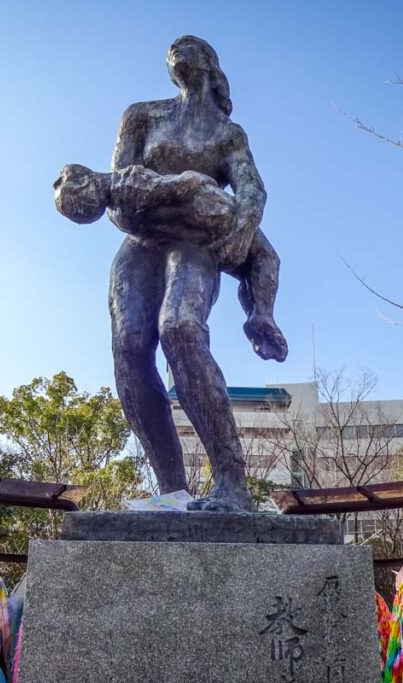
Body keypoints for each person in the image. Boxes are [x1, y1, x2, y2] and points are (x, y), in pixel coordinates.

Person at [56, 35, 285, 511]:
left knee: (180, 326)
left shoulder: (228, 134)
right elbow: (118, 193)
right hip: (141, 240)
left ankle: (232, 482)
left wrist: (238, 236)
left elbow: (252, 192)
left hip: (195, 242)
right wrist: (151, 194)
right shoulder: (142, 116)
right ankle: (171, 490)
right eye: (171, 50)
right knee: (130, 344)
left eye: (189, 47)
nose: (176, 51)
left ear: (209, 64)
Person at [53, 162, 286, 362]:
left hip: (210, 217)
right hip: (208, 220)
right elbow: (190, 183)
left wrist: (237, 228)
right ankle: (261, 316)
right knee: (264, 260)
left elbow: (192, 184)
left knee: (262, 262)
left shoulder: (126, 191)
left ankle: (261, 316)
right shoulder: (126, 191)